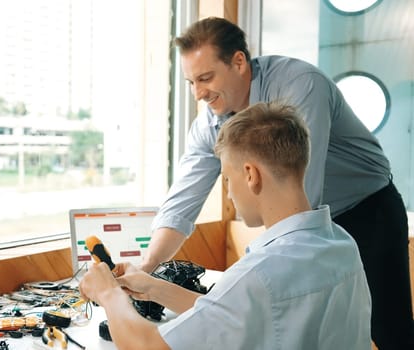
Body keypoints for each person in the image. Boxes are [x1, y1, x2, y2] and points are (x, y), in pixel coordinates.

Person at [141, 16, 412, 349]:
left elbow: (296, 196)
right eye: (190, 82)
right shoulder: (210, 124)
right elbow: (183, 202)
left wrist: (250, 278)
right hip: (308, 222)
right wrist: (148, 269)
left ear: (238, 62)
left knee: (390, 329)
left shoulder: (299, 85)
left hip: (368, 210)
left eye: (206, 78)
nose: (198, 93)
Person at [79, 102, 372, 349]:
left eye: (227, 179)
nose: (229, 193)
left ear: (250, 175)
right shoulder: (343, 244)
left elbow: (149, 346)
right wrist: (155, 288)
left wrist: (107, 294)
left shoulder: (260, 273)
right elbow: (231, 312)